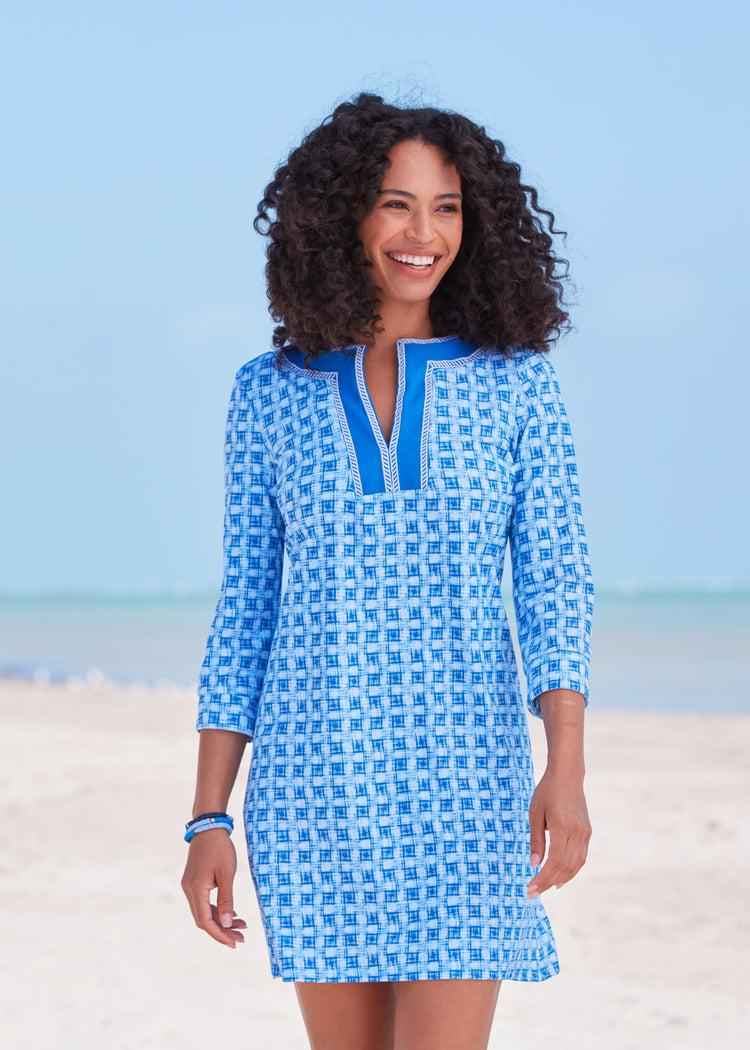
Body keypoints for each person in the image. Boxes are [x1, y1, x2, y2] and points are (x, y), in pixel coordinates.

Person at [181, 92, 594, 1050]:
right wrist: (207, 815)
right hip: (314, 788)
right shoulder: (267, 393)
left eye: (446, 206)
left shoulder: (518, 381)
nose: (423, 233)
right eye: (396, 203)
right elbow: (246, 608)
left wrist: (563, 769)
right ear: (342, 217)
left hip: (470, 788)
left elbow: (554, 582)